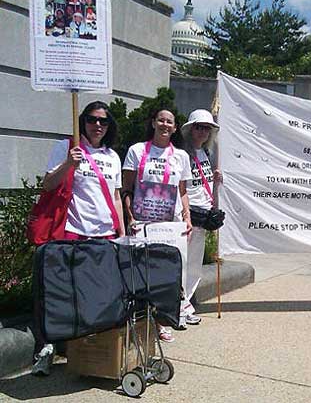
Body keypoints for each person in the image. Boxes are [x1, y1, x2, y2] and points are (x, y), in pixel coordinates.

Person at [33, 101, 125, 376]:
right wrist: (68, 164)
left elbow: (117, 196)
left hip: (105, 235)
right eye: (92, 119)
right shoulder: (67, 147)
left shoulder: (112, 156)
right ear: (82, 120)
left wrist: (121, 231)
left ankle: (87, 351)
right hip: (74, 232)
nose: (98, 125)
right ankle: (48, 347)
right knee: (63, 293)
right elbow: (48, 184)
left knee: (97, 296)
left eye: (104, 121)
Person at [122, 108, 193, 343]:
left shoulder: (181, 156)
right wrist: (130, 217)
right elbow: (127, 189)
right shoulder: (136, 151)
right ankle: (138, 321)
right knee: (141, 273)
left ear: (174, 128)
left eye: (169, 122)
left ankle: (162, 323)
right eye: (161, 120)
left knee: (165, 276)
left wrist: (187, 218)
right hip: (142, 223)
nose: (164, 124)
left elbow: (182, 192)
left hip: (169, 226)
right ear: (153, 123)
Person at [180, 109, 223, 327]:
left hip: (204, 214)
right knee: (184, 263)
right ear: (190, 129)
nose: (202, 131)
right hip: (189, 214)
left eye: (206, 128)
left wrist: (215, 180)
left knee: (194, 264)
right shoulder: (182, 154)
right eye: (198, 127)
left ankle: (186, 303)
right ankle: (180, 306)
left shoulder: (205, 154)